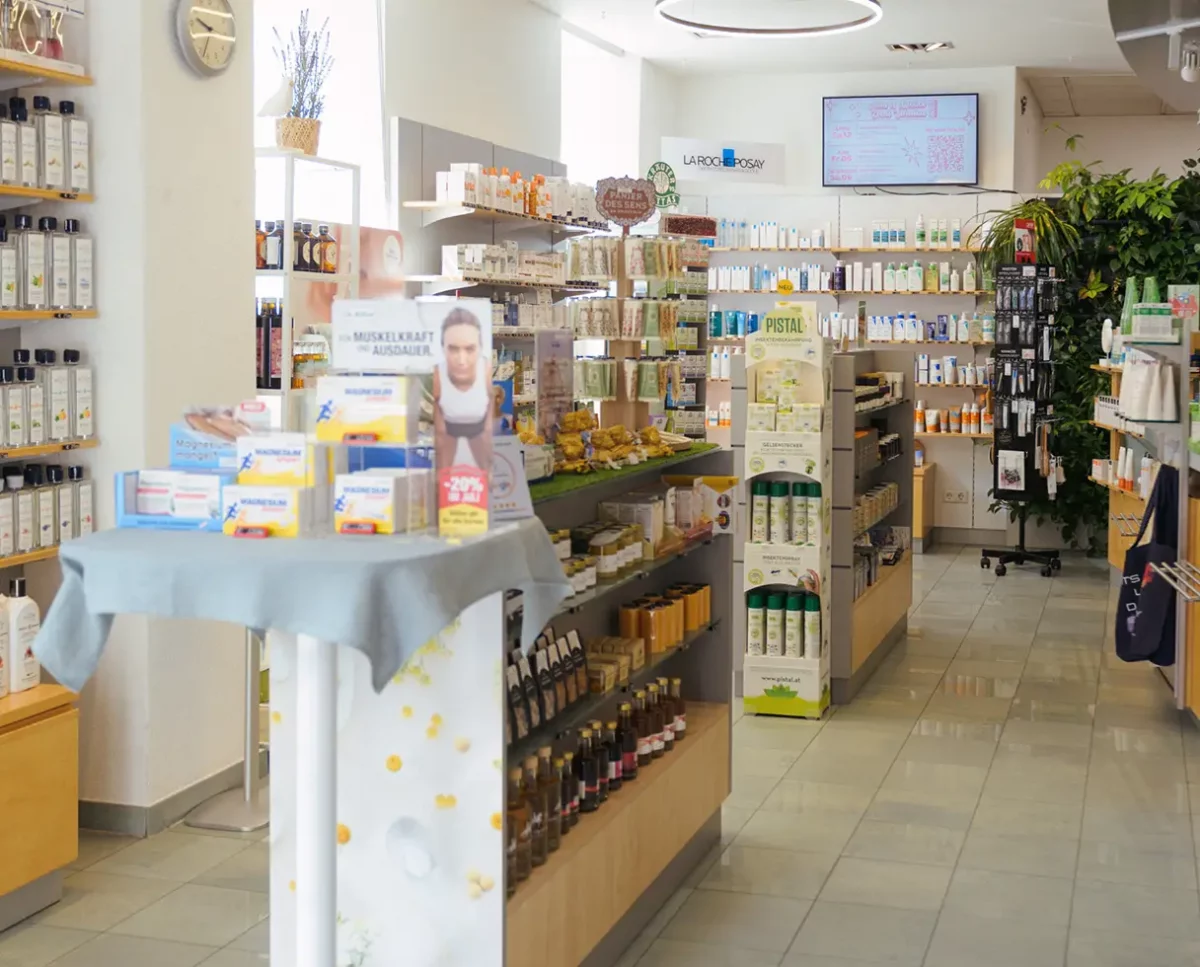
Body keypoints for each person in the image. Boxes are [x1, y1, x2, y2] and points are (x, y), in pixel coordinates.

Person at [433, 306, 491, 470]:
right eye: (453, 349)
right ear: (443, 348)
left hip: (479, 427)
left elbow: (494, 401)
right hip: (448, 428)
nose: (461, 360)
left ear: (480, 348)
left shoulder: (486, 371)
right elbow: (434, 410)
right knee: (442, 475)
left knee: (487, 473)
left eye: (470, 349)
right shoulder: (437, 375)